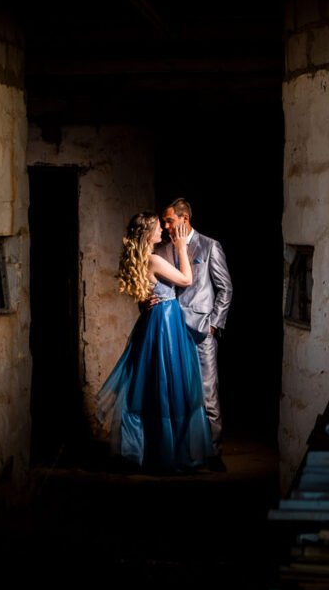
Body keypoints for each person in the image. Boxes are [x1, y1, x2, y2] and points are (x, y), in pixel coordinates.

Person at [97, 212, 214, 473]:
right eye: (159, 227)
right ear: (148, 233)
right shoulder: (153, 260)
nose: (162, 230)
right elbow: (186, 280)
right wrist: (181, 247)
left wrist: (144, 303)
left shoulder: (139, 259)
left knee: (151, 385)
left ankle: (148, 450)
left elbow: (144, 296)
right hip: (165, 324)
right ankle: (170, 454)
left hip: (152, 321)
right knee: (169, 384)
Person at [155, 198, 232, 472]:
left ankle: (213, 453)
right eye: (164, 222)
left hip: (201, 331)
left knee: (208, 394)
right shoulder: (162, 249)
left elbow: (225, 289)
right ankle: (185, 453)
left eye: (169, 221)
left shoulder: (209, 246)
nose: (165, 226)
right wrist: (147, 301)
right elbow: (153, 284)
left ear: (184, 219)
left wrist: (213, 325)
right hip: (170, 331)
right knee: (177, 393)